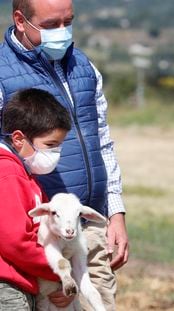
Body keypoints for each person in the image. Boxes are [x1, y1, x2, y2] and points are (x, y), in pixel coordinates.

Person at [0, 1, 129, 310]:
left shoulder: (85, 68)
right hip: (42, 235)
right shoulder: (2, 74)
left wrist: (115, 213)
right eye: (50, 26)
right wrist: (56, 271)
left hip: (90, 223)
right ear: (20, 20)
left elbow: (103, 142)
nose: (62, 33)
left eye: (67, 22)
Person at [0, 88, 72, 310]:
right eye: (50, 145)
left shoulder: (25, 176)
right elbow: (15, 242)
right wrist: (61, 271)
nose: (56, 153)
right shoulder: (8, 174)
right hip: (8, 290)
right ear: (19, 138)